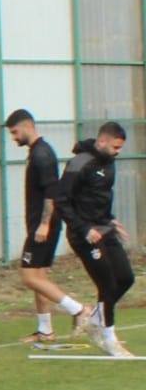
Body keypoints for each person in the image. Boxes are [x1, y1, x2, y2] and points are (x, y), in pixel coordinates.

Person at [6, 108, 92, 344]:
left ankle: (79, 310)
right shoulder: (37, 152)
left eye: (15, 132)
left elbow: (52, 193)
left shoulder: (43, 154)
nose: (13, 138)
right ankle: (45, 330)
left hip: (44, 226)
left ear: (27, 126)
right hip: (40, 225)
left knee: (29, 276)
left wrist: (44, 224)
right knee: (39, 276)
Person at [60, 122, 135, 356]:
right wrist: (83, 228)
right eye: (115, 146)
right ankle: (109, 340)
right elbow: (61, 201)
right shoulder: (79, 163)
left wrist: (111, 221)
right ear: (102, 141)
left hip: (104, 229)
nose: (118, 151)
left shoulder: (109, 163)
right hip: (84, 235)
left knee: (125, 278)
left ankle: (94, 318)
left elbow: (99, 198)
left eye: (120, 147)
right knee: (107, 284)